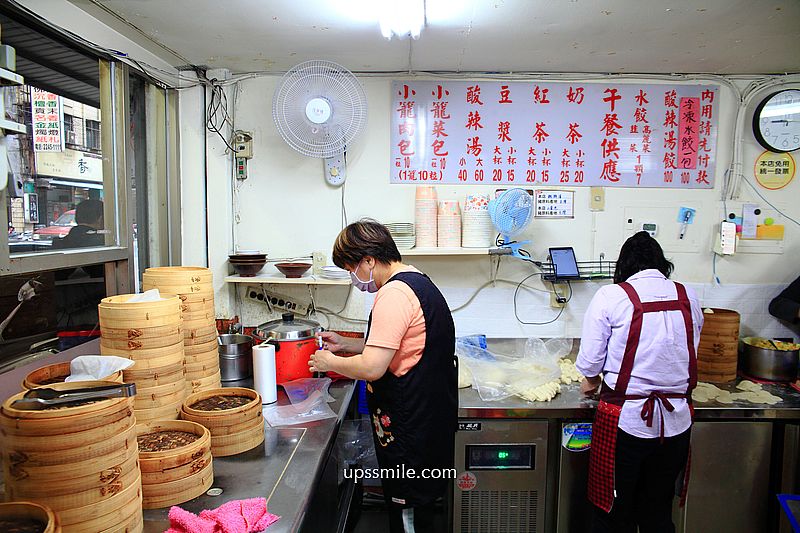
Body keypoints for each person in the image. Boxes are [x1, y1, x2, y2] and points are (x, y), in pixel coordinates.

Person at [309, 219, 457, 533]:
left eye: (352, 268)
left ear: (369, 260)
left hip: (410, 432)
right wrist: (348, 344)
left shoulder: (394, 294)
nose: (354, 277)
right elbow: (398, 345)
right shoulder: (416, 279)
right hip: (428, 422)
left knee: (409, 517)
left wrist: (329, 360)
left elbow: (373, 367)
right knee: (418, 510)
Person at [575, 231, 704, 533]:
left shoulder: (612, 295)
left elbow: (591, 361)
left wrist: (591, 381)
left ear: (624, 266)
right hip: (675, 422)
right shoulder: (688, 295)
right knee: (657, 511)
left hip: (628, 423)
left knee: (612, 510)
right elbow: (687, 350)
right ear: (662, 265)